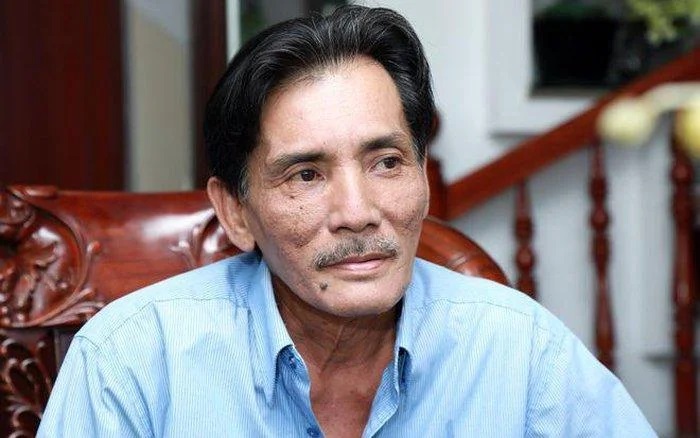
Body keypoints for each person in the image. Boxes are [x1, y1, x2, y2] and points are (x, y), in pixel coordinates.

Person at [38, 5, 654, 437]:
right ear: (235, 212)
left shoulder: (521, 349)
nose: (358, 213)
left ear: (423, 177)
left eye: (386, 162)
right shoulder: (130, 362)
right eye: (306, 174)